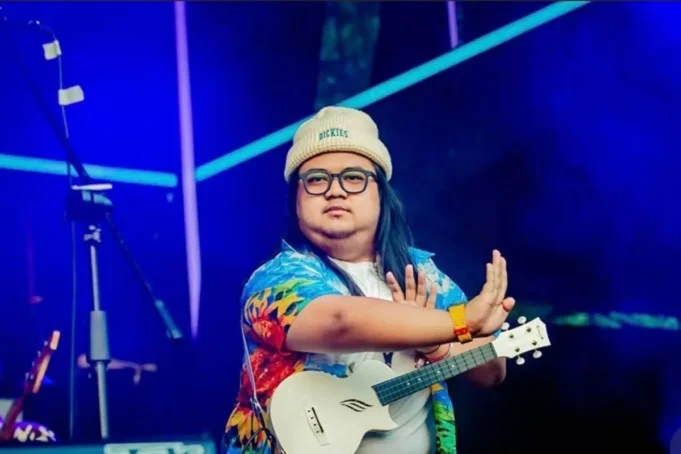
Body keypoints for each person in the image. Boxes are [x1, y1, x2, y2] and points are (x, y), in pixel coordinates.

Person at [222, 106, 515, 454]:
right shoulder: (274, 280)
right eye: (316, 179)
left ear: (381, 194)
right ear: (295, 199)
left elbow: (491, 372)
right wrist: (460, 322)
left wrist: (436, 345)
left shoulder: (422, 275)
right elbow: (339, 322)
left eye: (353, 177)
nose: (335, 191)